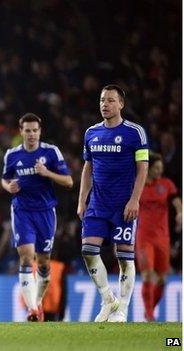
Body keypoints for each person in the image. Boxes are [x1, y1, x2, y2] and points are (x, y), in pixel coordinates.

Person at [77, 84, 149, 322]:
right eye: (101, 100)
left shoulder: (134, 132)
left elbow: (143, 168)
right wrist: (82, 201)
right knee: (88, 251)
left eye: (110, 100)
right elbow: (88, 167)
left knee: (124, 257)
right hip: (97, 204)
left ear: (121, 104)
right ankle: (108, 299)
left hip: (123, 206)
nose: (104, 105)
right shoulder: (91, 133)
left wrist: (135, 200)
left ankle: (123, 310)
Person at [1, 113, 73, 322]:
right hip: (22, 210)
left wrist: (47, 173)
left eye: (35, 130)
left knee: (43, 263)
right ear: (21, 131)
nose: (31, 134)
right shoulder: (12, 155)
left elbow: (68, 181)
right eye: (27, 130)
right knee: (26, 256)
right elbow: (5, 180)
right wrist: (9, 187)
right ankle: (32, 309)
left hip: (45, 212)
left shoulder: (51, 153)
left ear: (40, 132)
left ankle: (38, 303)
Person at [137, 152, 181, 321]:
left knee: (162, 279)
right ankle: (149, 315)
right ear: (148, 168)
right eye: (156, 168)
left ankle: (150, 310)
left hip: (163, 238)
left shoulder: (166, 184)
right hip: (143, 237)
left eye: (161, 168)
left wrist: (180, 213)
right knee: (147, 275)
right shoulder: (137, 185)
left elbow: (176, 201)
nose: (159, 171)